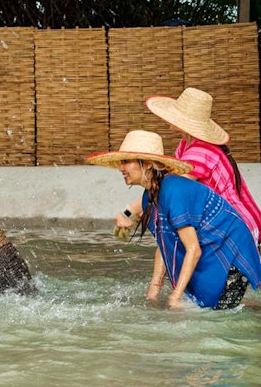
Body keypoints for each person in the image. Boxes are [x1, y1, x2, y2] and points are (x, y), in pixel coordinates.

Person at [88, 130, 261, 309]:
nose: (121, 168)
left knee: (218, 313)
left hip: (230, 248)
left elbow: (193, 250)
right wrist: (153, 290)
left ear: (147, 164)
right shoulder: (150, 196)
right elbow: (165, 244)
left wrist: (176, 296)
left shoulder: (173, 190)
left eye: (125, 162)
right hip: (211, 245)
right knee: (212, 308)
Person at [113, 88, 261, 243]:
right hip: (222, 223)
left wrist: (128, 213)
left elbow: (168, 189)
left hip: (238, 228)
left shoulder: (201, 150)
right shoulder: (186, 144)